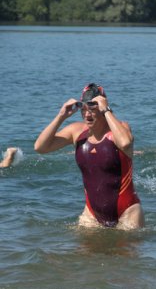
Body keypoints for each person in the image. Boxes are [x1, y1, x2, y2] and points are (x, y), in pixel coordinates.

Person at [34, 83, 144, 230]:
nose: (87, 114)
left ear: (102, 107)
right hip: (91, 214)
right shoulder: (77, 132)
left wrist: (106, 110)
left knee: (125, 245)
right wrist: (61, 116)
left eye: (92, 109)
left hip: (127, 211)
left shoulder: (119, 129)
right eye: (84, 109)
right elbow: (40, 147)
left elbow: (125, 142)